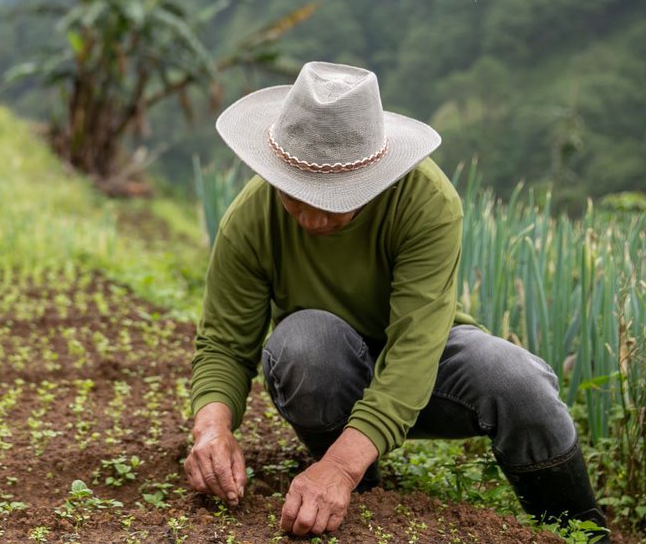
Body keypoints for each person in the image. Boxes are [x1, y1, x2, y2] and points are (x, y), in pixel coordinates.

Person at [183, 61, 609, 540]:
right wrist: (212, 429)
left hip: (427, 365)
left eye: (333, 200)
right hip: (330, 374)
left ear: (372, 175)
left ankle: (579, 529)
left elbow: (414, 351)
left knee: (519, 381)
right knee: (305, 345)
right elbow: (223, 346)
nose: (312, 218)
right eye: (295, 195)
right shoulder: (250, 219)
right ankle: (360, 490)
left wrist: (336, 469)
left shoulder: (426, 201)